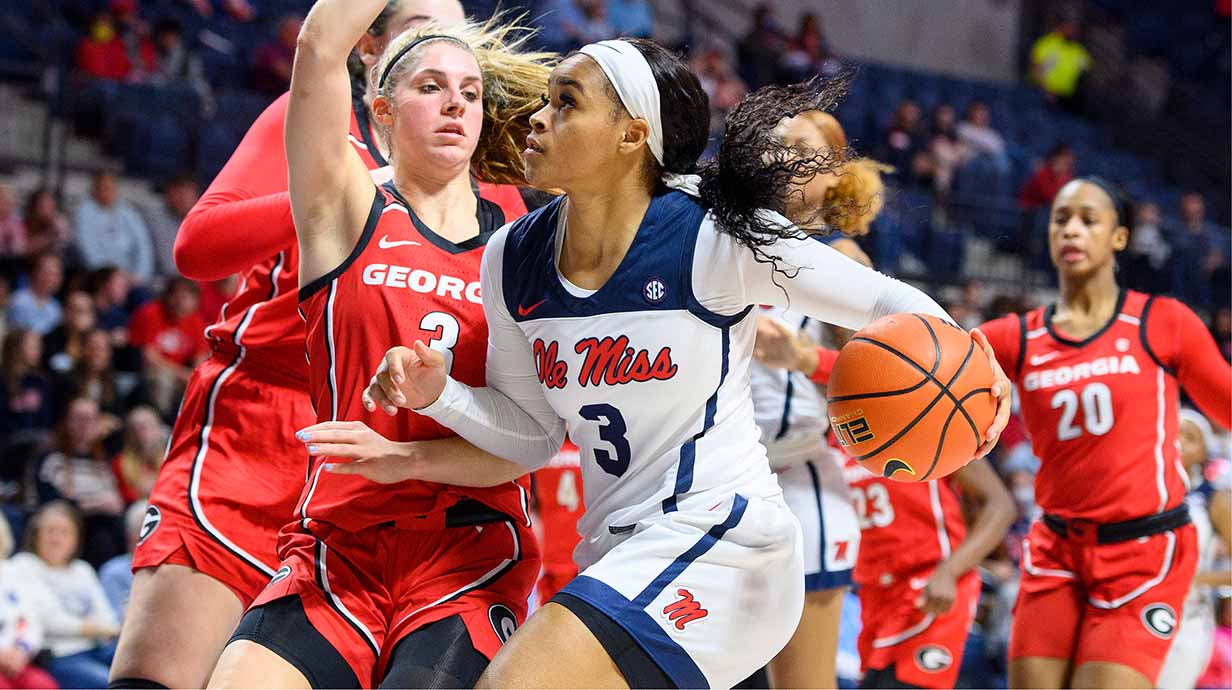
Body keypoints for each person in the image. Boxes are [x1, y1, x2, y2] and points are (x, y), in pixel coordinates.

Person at [362, 41, 1011, 687]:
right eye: (543, 101)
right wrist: (441, 394)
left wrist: (977, 373)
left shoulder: (712, 231)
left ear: (631, 135)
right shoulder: (513, 255)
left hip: (723, 544)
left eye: (566, 103)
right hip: (616, 555)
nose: (537, 118)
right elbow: (532, 436)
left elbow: (882, 299)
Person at [112, 1, 529, 687]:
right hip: (262, 411)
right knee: (163, 670)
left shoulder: (489, 189)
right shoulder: (316, 131)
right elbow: (197, 247)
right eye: (425, 30)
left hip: (385, 448)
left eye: (463, 41)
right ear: (371, 50)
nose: (449, 52)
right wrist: (332, 200)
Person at [979, 177, 1232, 689]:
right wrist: (816, 360)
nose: (1071, 230)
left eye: (1088, 220)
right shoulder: (1014, 336)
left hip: (1146, 551)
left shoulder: (1163, 322)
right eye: (1060, 219)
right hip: (1055, 548)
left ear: (1118, 237)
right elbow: (916, 377)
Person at [747, 109, 883, 690]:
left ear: (833, 174)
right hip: (716, 478)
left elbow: (879, 388)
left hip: (799, 478)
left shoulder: (842, 260)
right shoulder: (724, 241)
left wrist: (806, 359)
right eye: (773, 145)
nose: (779, 157)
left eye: (798, 148)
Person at [846, 454, 1014, 689]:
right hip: (875, 598)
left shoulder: (930, 428)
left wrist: (948, 571)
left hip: (930, 591)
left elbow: (1001, 506)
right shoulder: (838, 439)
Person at [1157, 409, 1231, 689]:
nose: (1178, 441)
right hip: (1135, 610)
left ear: (1204, 451)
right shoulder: (1141, 493)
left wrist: (1194, 578)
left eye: (1189, 437)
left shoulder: (1214, 499)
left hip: (1187, 620)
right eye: (1173, 433)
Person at [11, 501, 121, 689]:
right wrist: (100, 629)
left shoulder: (82, 570)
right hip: (59, 656)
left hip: (98, 648)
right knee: (108, 684)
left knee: (148, 667)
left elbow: (107, 616)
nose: (56, 539)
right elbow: (49, 622)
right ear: (36, 535)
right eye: (50, 531)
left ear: (76, 539)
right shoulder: (23, 565)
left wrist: (102, 629)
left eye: (65, 532)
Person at [35, 397, 126, 567]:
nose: (85, 425)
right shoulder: (52, 459)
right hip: (73, 526)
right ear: (67, 421)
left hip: (107, 526)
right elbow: (49, 503)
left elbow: (117, 503)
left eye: (91, 419)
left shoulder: (103, 462)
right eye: (79, 418)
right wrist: (94, 504)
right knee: (101, 538)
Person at [127, 278, 207, 416]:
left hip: (180, 375)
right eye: (178, 297)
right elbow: (149, 357)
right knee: (162, 380)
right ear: (168, 297)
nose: (182, 303)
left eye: (187, 298)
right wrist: (183, 374)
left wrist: (193, 376)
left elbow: (200, 358)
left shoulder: (196, 321)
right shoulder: (151, 313)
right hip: (149, 372)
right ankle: (162, 420)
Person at [0, 512, 59, 689]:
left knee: (44, 685)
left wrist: (21, 651)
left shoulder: (13, 572)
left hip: (18, 660)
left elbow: (29, 620)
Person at [72, 171, 154, 284]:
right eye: (103, 188)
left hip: (129, 277)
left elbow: (143, 245)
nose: (107, 192)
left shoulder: (128, 212)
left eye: (110, 188)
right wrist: (110, 276)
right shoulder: (83, 213)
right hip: (97, 277)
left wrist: (140, 275)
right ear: (94, 190)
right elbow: (86, 250)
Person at [99, 500, 150, 621]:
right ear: (131, 535)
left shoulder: (168, 568)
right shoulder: (113, 571)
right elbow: (116, 619)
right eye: (147, 530)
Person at [0, 329, 56, 438]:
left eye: (39, 347)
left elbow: (48, 419)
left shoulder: (41, 381)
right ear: (16, 349)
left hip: (37, 443)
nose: (39, 351)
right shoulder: (2, 380)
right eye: (33, 347)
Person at [1029, 18, 1091, 110]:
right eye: (1068, 28)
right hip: (1045, 95)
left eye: (1074, 30)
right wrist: (1045, 90)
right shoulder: (1047, 44)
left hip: (1067, 97)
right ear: (1059, 28)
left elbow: (1087, 68)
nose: (1071, 32)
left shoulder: (1077, 49)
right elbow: (1035, 68)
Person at [110, 407, 166, 504]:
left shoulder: (170, 459)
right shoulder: (120, 462)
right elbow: (124, 495)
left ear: (159, 429)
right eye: (136, 428)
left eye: (148, 426)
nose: (143, 433)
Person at [7, 253, 64, 337]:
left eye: (57, 274)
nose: (52, 278)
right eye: (48, 272)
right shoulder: (18, 301)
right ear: (34, 272)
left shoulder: (56, 308)